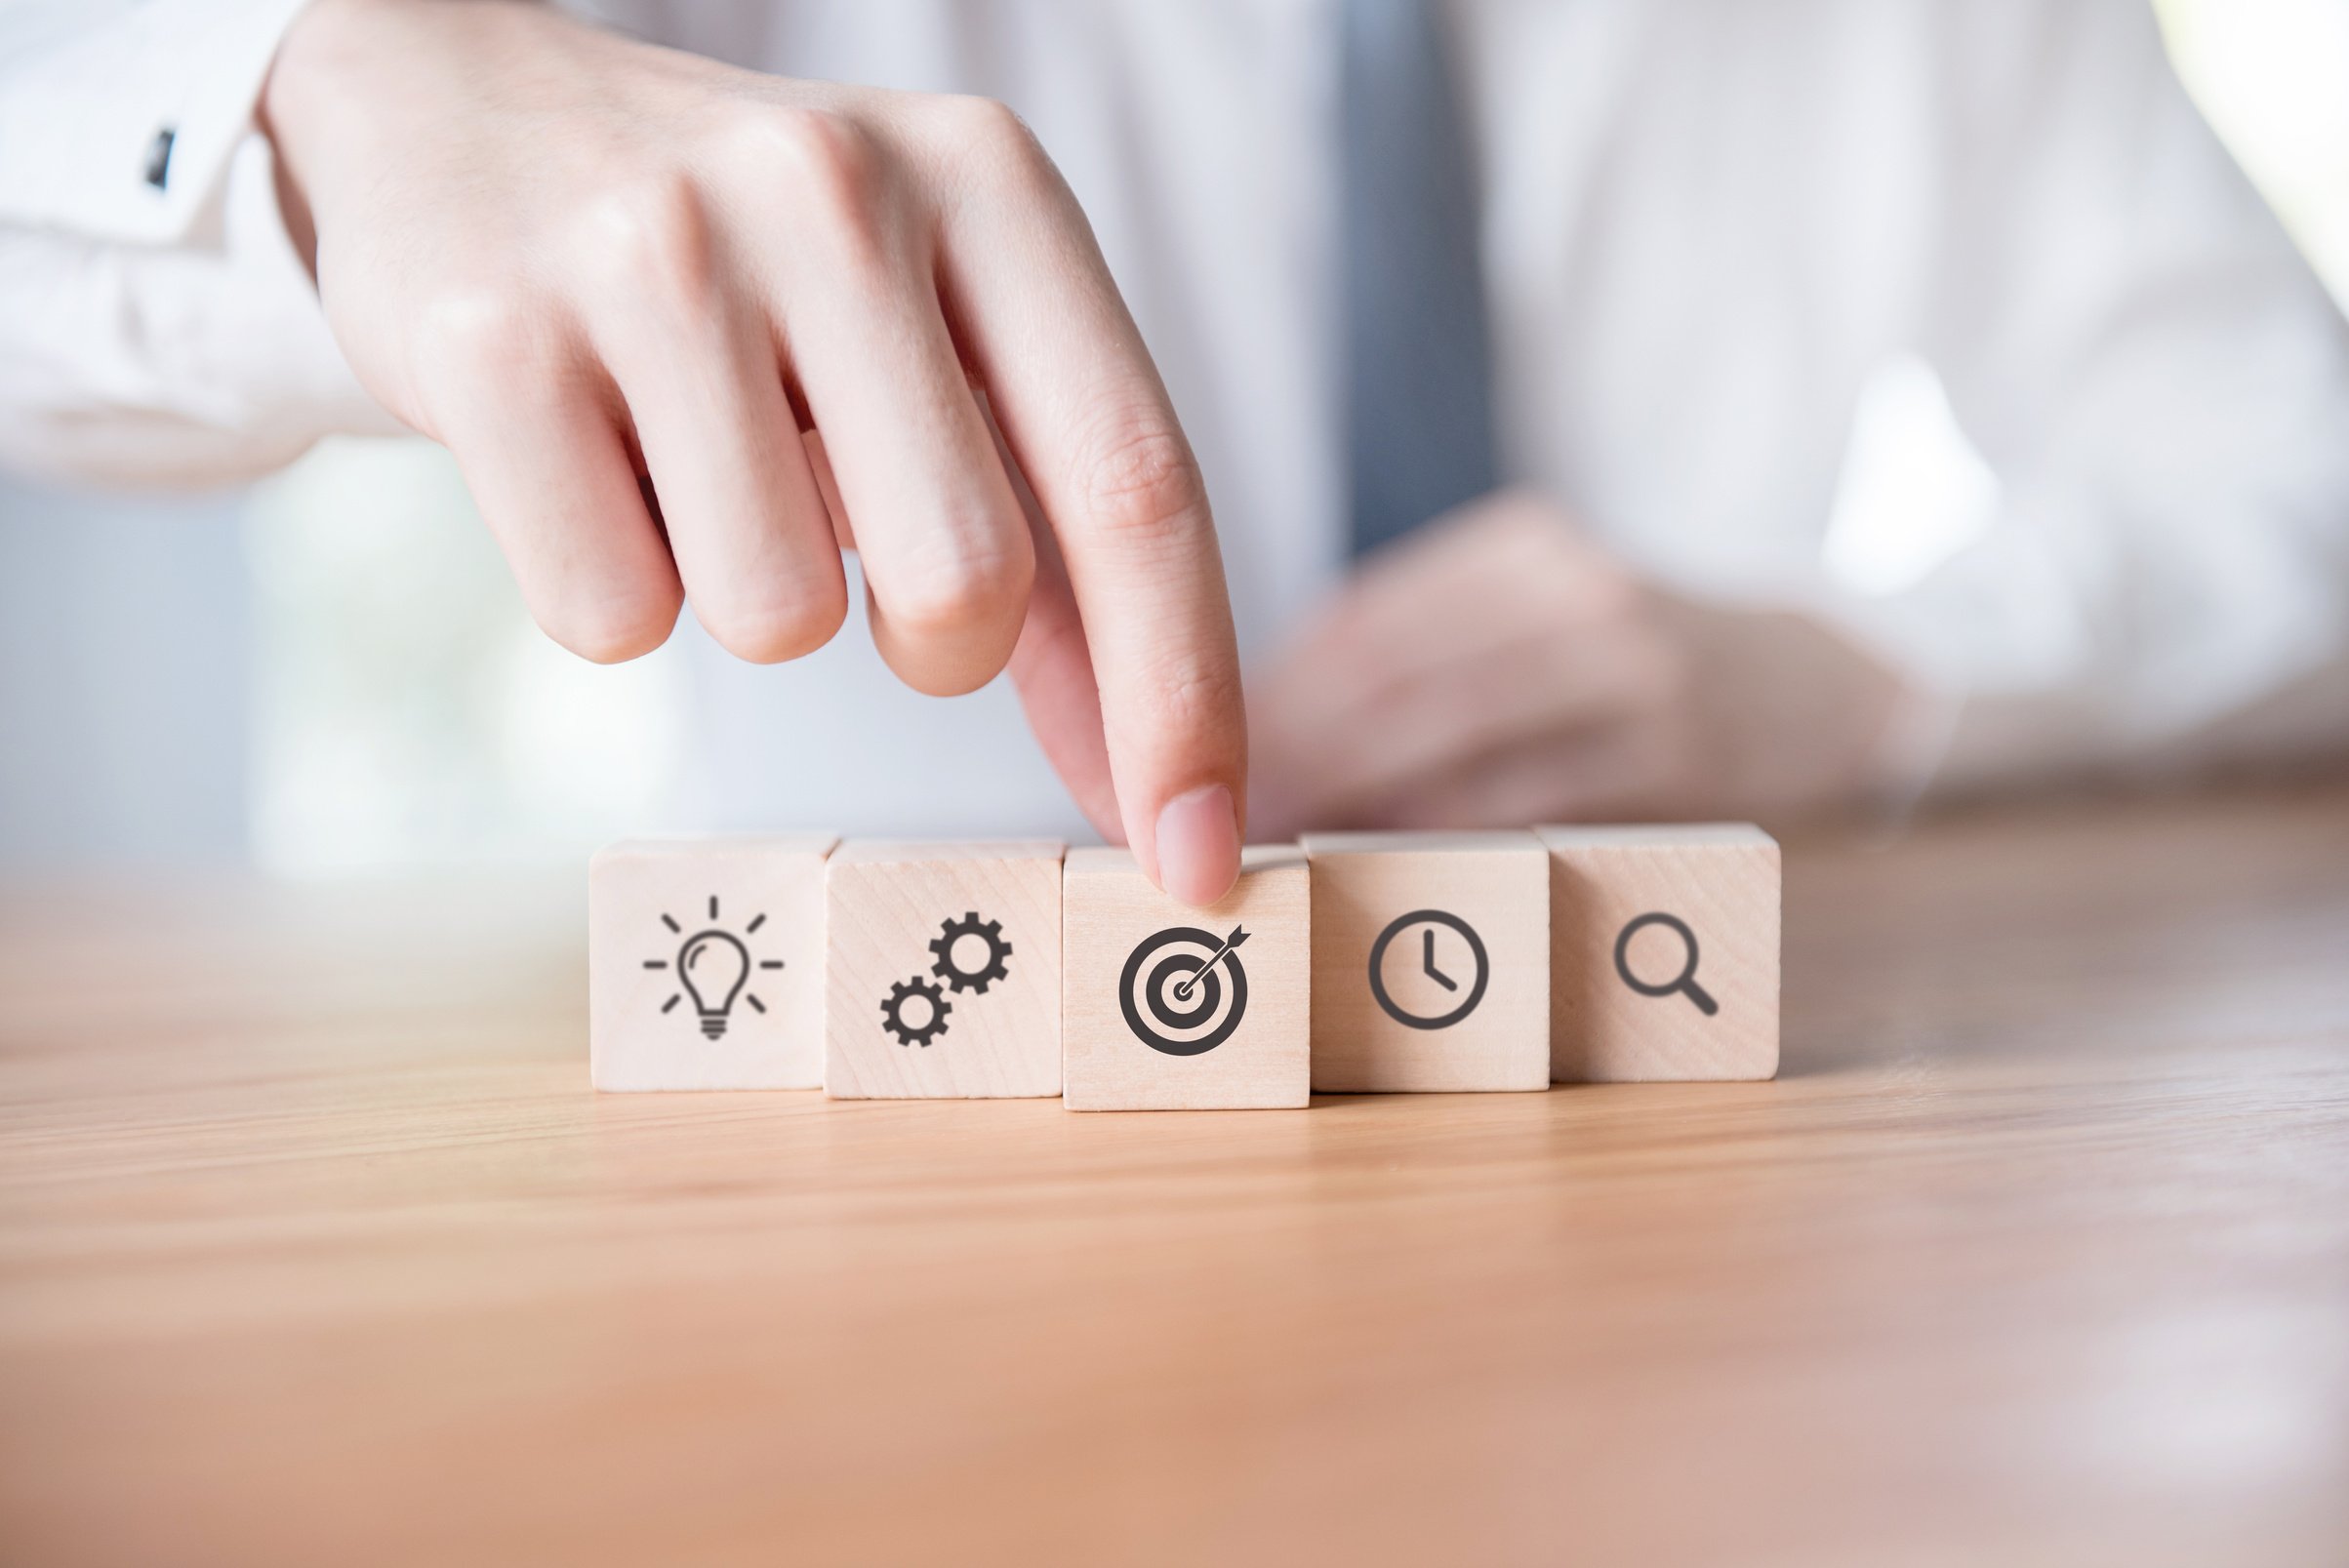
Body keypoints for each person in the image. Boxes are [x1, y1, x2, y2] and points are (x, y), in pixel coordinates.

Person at [6, 0, 2347, 902]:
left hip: (1695, 1161)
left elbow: (2302, 487)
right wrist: (313, 94)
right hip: (890, 1169)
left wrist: (1866, 673)